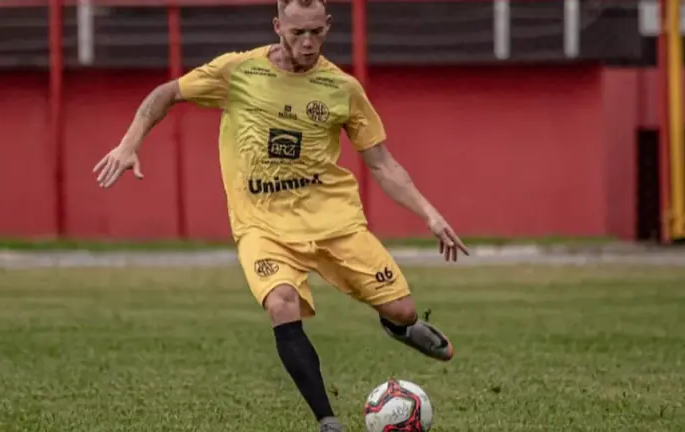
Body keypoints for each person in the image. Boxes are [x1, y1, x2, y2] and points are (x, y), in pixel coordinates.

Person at [93, 0, 469, 430]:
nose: (307, 43)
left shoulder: (342, 89)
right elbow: (167, 93)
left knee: (402, 308)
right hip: (262, 226)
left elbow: (381, 163)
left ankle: (401, 327)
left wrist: (429, 213)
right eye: (296, 33)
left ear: (327, 26)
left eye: (316, 32)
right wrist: (128, 144)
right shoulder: (238, 71)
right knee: (281, 304)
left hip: (333, 222)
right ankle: (327, 420)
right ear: (277, 26)